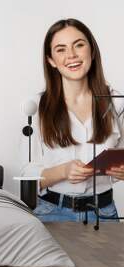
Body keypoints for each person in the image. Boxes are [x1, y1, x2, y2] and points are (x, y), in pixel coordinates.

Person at [20, 18, 124, 222]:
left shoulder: (117, 104)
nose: (72, 55)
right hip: (52, 214)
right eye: (60, 49)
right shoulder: (36, 107)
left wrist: (120, 171)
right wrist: (63, 171)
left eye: (79, 45)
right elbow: (26, 175)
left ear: (91, 51)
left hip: (103, 214)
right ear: (51, 60)